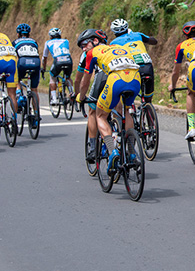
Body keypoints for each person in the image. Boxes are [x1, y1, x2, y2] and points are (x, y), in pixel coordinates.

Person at [76, 28, 142, 169]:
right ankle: (131, 152)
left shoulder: (92, 53)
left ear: (95, 41)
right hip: (136, 78)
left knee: (99, 115)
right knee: (126, 111)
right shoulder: (119, 47)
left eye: (84, 45)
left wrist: (81, 97)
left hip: (115, 78)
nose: (83, 49)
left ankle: (111, 151)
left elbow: (85, 81)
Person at [109, 18, 158, 103]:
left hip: (132, 68)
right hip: (147, 66)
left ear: (114, 32)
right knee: (148, 97)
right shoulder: (138, 35)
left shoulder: (114, 43)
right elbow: (154, 41)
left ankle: (130, 107)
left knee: (127, 93)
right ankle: (148, 107)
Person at [13, 23, 42, 123]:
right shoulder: (34, 41)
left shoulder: (15, 42)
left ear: (18, 34)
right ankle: (36, 114)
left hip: (23, 61)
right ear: (29, 34)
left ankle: (19, 94)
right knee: (34, 90)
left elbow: (14, 57)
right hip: (36, 62)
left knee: (16, 78)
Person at [41, 27, 73, 106]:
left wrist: (43, 68)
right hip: (68, 60)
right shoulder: (66, 41)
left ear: (50, 36)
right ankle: (72, 93)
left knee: (52, 77)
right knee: (68, 77)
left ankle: (54, 99)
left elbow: (44, 58)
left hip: (58, 61)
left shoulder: (48, 42)